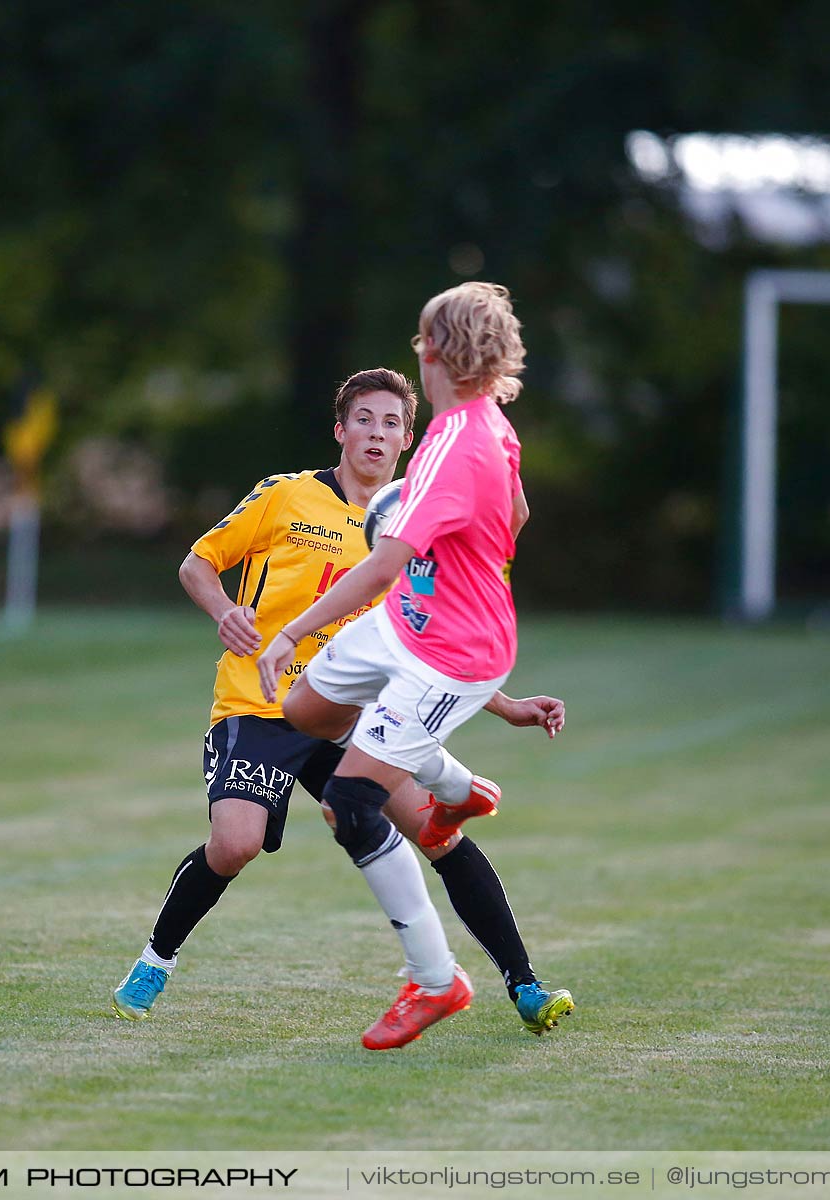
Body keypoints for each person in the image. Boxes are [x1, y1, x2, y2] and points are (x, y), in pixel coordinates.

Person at [113, 366, 573, 1040]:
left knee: (437, 830)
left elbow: (424, 638)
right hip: (262, 701)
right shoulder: (288, 495)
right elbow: (198, 562)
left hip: (353, 713)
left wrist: (505, 706)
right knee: (235, 843)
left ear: (408, 440)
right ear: (340, 429)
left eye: (391, 423)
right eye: (364, 419)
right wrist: (224, 611)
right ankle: (157, 958)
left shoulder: (413, 522)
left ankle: (524, 984)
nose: (376, 434)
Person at [256, 283, 563, 1050]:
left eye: (423, 339)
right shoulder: (489, 424)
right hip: (413, 625)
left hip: (451, 652)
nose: (418, 351)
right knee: (305, 714)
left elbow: (383, 568)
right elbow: (517, 516)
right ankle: (455, 785)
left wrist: (291, 631)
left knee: (351, 803)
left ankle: (436, 980)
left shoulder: (451, 447)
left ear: (436, 351)